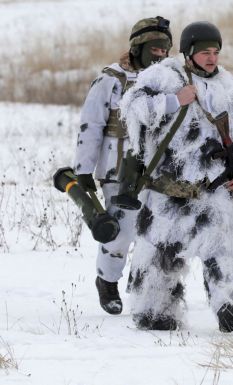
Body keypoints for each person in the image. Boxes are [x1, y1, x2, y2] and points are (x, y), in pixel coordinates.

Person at [118, 21, 233, 332]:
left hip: (213, 185)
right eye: (205, 52)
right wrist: (174, 101)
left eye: (216, 52)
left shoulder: (230, 87)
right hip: (166, 189)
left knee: (221, 244)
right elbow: (133, 109)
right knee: (161, 252)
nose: (212, 58)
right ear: (188, 53)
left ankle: (232, 303)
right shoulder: (163, 76)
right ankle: (155, 312)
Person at [73, 16, 172, 315]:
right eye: (155, 50)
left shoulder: (167, 79)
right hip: (117, 169)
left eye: (165, 50)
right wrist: (83, 169)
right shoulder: (110, 81)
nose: (161, 56)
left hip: (156, 171)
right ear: (138, 47)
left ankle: (141, 281)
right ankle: (107, 280)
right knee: (121, 232)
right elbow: (90, 126)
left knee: (153, 232)